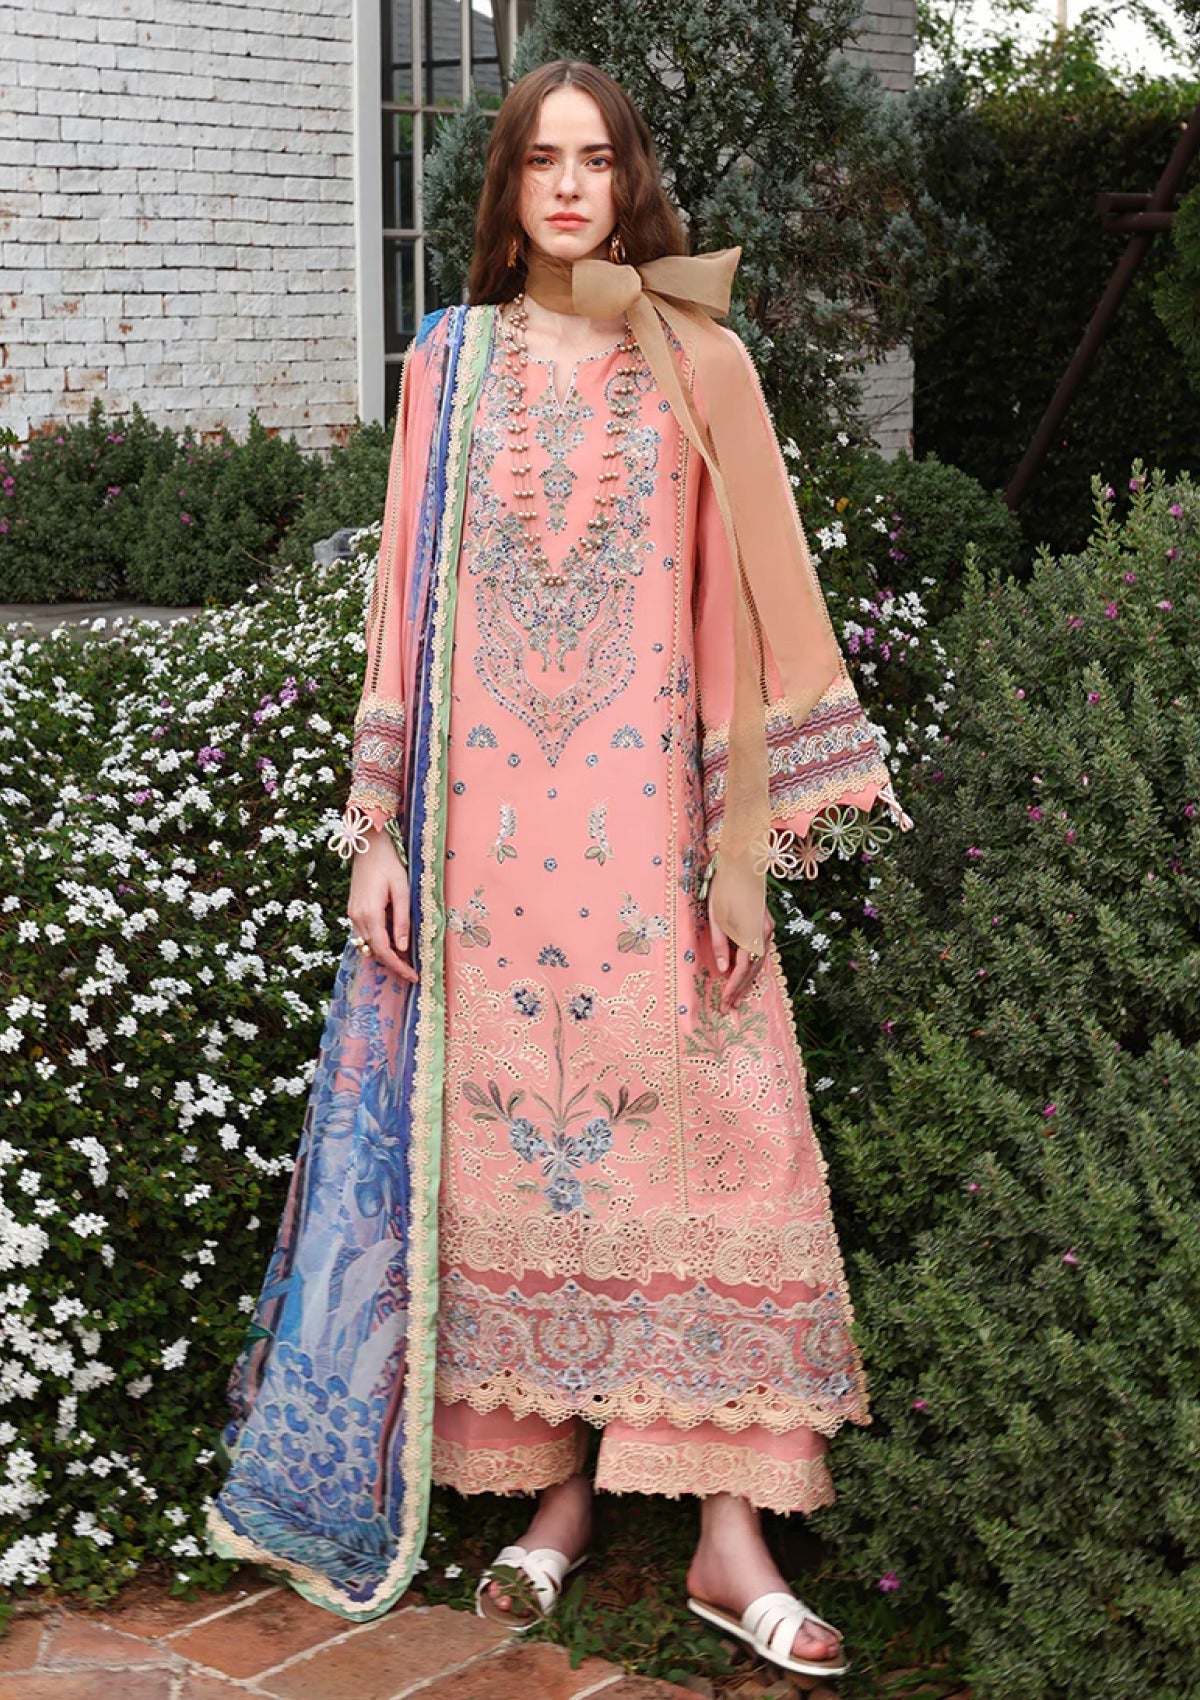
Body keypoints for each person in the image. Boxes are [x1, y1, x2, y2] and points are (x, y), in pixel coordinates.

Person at [207, 58, 909, 1684]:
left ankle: (730, 1540)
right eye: (545, 160)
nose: (574, 187)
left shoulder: (697, 355)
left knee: (718, 1159)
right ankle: (557, 1496)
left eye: (599, 160)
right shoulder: (447, 364)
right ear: (509, 187)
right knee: (517, 1173)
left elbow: (738, 609)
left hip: (650, 850)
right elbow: (398, 609)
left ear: (630, 180)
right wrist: (376, 833)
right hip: (484, 861)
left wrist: (741, 854)